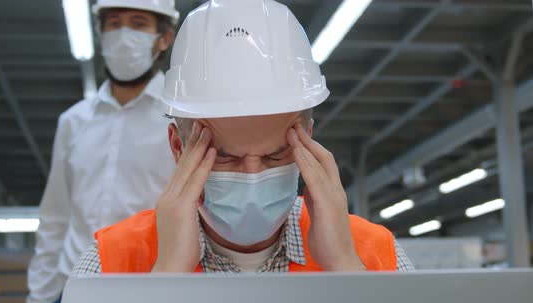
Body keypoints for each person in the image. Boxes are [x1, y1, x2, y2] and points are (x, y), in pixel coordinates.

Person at [71, 0, 414, 278]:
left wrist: (345, 267)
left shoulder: (374, 253)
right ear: (178, 147)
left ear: (307, 140)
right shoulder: (110, 262)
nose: (252, 178)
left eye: (275, 157)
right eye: (226, 158)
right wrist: (167, 276)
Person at [27, 1, 179, 303]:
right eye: (114, 23)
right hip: (73, 296)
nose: (123, 33)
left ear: (164, 38)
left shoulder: (183, 118)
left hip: (151, 294)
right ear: (101, 33)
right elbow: (55, 217)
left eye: (138, 23)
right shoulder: (73, 121)